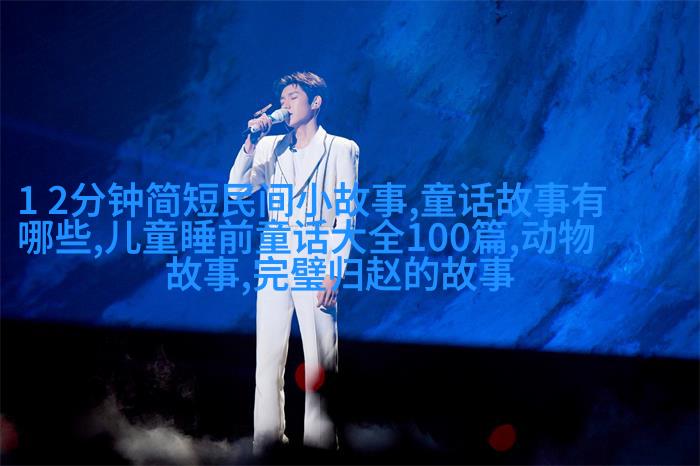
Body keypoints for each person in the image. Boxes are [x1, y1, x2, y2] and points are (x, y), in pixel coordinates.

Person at [227, 71, 359, 454]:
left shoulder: (340, 148)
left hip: (316, 256)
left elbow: (346, 216)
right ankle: (267, 444)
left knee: (320, 359)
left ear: (315, 103)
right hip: (275, 256)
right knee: (267, 359)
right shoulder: (270, 147)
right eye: (283, 98)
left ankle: (321, 445)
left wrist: (334, 272)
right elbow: (236, 190)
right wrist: (250, 142)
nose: (286, 104)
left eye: (293, 97)